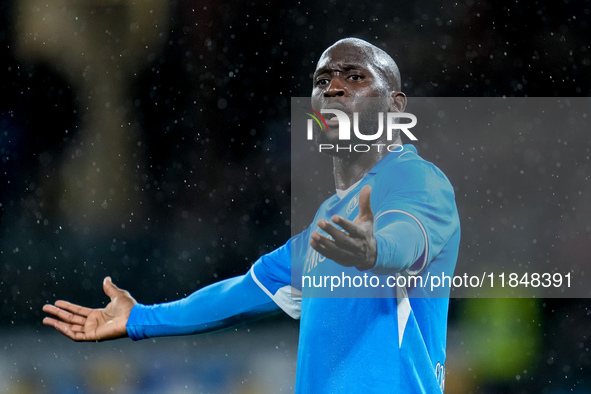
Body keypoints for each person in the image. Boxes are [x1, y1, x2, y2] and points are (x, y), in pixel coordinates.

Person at [43, 37, 460, 393]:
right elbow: (242, 292)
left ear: (396, 105)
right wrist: (140, 318)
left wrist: (376, 249)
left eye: (355, 77)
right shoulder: (326, 226)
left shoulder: (416, 180)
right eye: (322, 80)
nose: (333, 88)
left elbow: (407, 237)